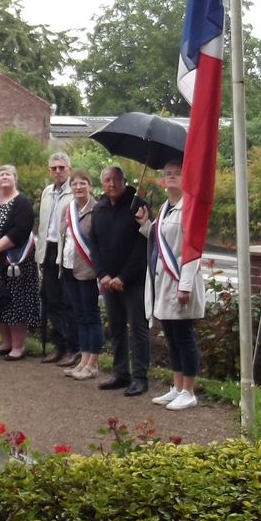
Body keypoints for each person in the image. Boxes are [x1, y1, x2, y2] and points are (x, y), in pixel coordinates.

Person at [139, 159, 206, 410]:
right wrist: (145, 225)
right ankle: (177, 387)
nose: (172, 177)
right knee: (171, 337)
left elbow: (193, 248)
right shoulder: (165, 208)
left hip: (181, 281)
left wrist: (185, 285)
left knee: (184, 337)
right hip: (164, 282)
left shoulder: (190, 207)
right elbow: (159, 240)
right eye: (168, 173)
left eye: (177, 173)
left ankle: (189, 391)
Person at [89, 165, 150, 395]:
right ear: (102, 183)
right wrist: (102, 275)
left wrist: (123, 276)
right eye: (107, 180)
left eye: (116, 179)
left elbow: (143, 245)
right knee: (116, 328)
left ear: (124, 181)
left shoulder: (138, 206)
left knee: (138, 329)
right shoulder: (99, 208)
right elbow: (93, 244)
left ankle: (140, 377)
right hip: (108, 281)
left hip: (133, 281)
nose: (112, 184)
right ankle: (120, 372)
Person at [0, 164, 40, 361]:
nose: (4, 177)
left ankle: (18, 346)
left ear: (15, 178)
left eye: (8, 174)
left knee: (16, 303)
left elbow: (20, 230)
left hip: (16, 262)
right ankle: (6, 342)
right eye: (1, 174)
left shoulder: (22, 202)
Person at [58, 169, 101, 380]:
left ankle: (93, 363)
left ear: (90, 186)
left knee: (91, 316)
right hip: (68, 267)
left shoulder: (97, 210)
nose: (78, 187)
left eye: (83, 183)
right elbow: (63, 237)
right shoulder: (68, 209)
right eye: (74, 184)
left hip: (88, 270)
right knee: (80, 315)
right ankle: (83, 360)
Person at [35, 152, 77, 366]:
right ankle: (59, 344)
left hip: (66, 253)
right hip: (48, 250)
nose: (58, 171)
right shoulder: (47, 192)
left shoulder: (74, 192)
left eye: (62, 167)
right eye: (54, 168)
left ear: (69, 169)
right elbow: (43, 226)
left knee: (67, 302)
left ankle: (73, 348)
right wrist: (41, 255)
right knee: (50, 300)